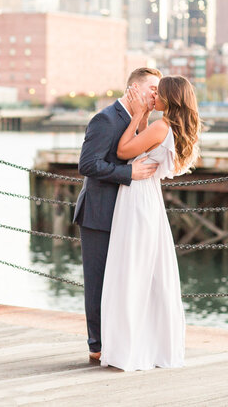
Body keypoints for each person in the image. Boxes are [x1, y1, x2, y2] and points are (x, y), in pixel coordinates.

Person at [100, 75, 201, 371]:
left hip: (138, 197)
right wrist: (144, 118)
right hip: (150, 198)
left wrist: (138, 115)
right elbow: (146, 148)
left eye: (158, 92)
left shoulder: (160, 125)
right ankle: (152, 345)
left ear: (169, 97)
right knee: (150, 270)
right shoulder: (175, 129)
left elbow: (123, 151)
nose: (153, 95)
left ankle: (129, 348)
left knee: (132, 268)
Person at [73, 67, 163, 364]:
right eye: (152, 88)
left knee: (123, 280)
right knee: (98, 282)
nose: (156, 95)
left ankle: (121, 341)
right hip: (100, 214)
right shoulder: (106, 119)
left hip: (129, 215)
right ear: (133, 89)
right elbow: (87, 165)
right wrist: (129, 173)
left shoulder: (141, 121)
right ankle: (97, 345)